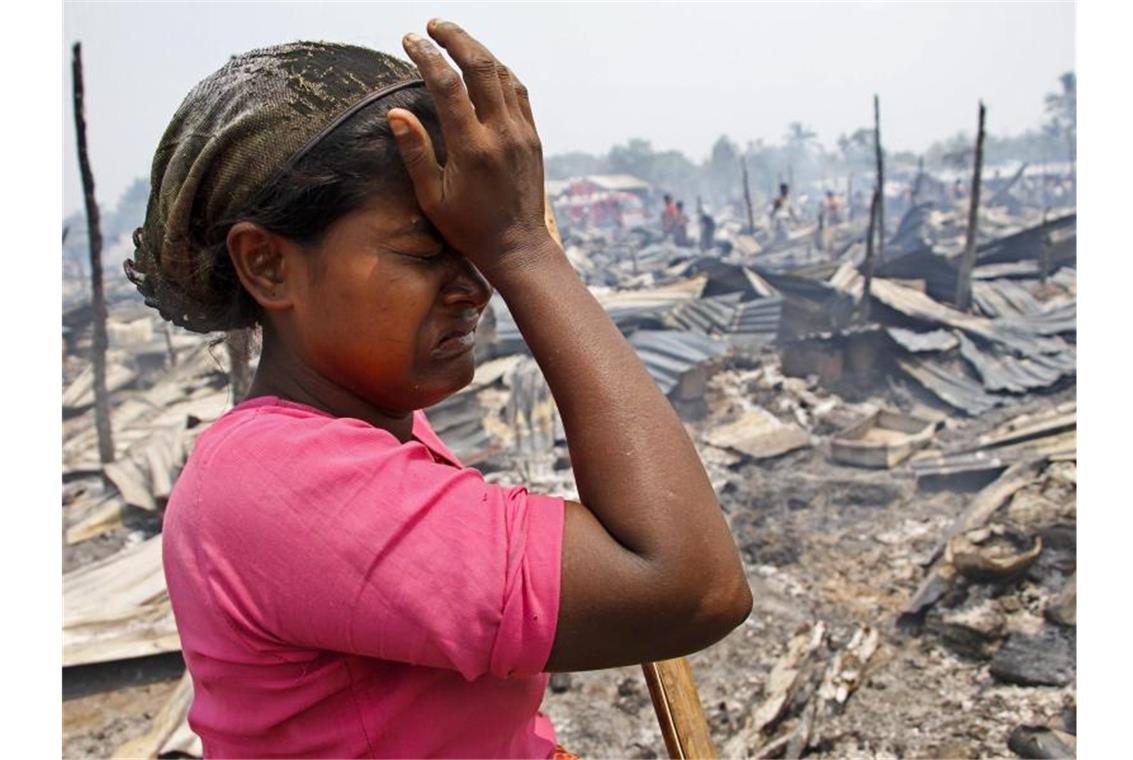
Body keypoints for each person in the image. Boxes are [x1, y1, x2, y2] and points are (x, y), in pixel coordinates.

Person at [125, 20, 751, 759]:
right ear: (267, 264)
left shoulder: (379, 429)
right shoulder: (276, 481)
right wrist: (523, 248)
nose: (477, 288)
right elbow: (692, 586)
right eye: (427, 252)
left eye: (478, 250)